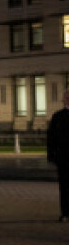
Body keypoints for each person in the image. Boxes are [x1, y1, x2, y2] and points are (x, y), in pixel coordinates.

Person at [47, 90, 69, 222]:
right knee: (64, 186)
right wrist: (51, 155)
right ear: (63, 100)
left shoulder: (58, 116)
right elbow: (51, 138)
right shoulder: (57, 116)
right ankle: (65, 212)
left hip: (63, 157)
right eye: (66, 97)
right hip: (63, 158)